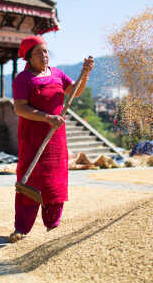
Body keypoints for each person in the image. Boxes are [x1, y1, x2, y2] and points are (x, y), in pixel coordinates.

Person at [9, 35, 94, 243]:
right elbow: (20, 108)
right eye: (39, 53)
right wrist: (46, 117)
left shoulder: (56, 74)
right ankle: (22, 227)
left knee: (55, 179)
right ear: (29, 57)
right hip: (33, 138)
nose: (44, 56)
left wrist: (86, 74)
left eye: (46, 52)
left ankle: (53, 224)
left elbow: (74, 92)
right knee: (29, 181)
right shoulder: (23, 79)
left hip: (55, 139)